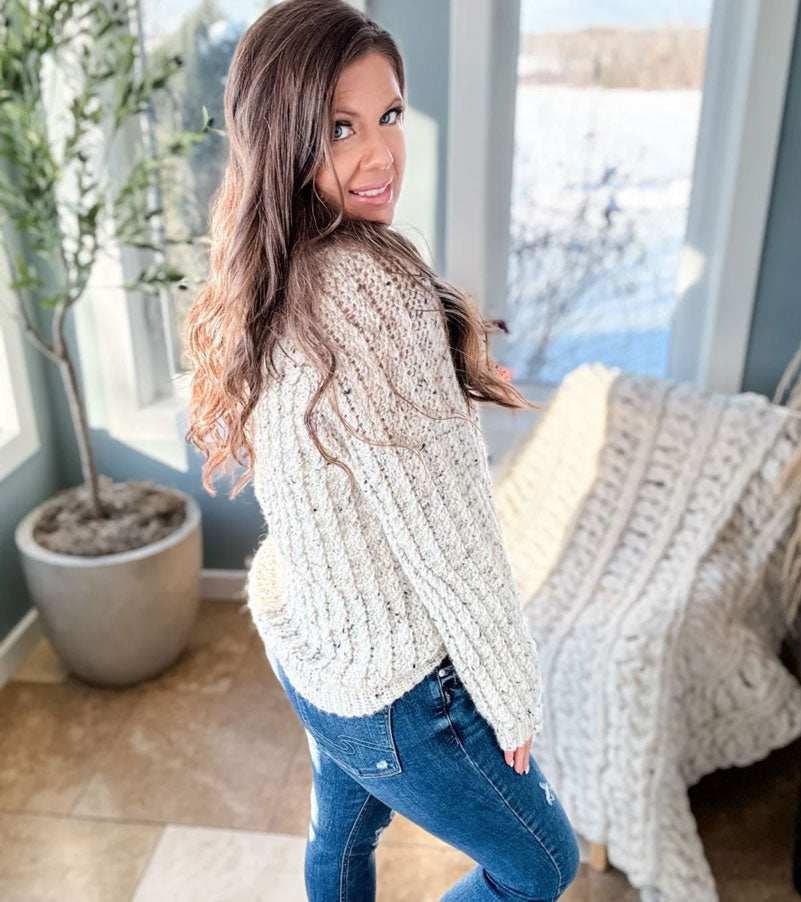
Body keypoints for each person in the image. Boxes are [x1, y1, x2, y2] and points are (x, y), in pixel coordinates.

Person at [184, 1, 580, 899]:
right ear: (284, 139)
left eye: (389, 115)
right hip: (395, 687)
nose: (380, 154)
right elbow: (448, 533)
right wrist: (509, 691)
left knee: (341, 839)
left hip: (313, 650)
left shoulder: (268, 264)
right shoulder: (372, 285)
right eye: (340, 128)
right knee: (541, 863)